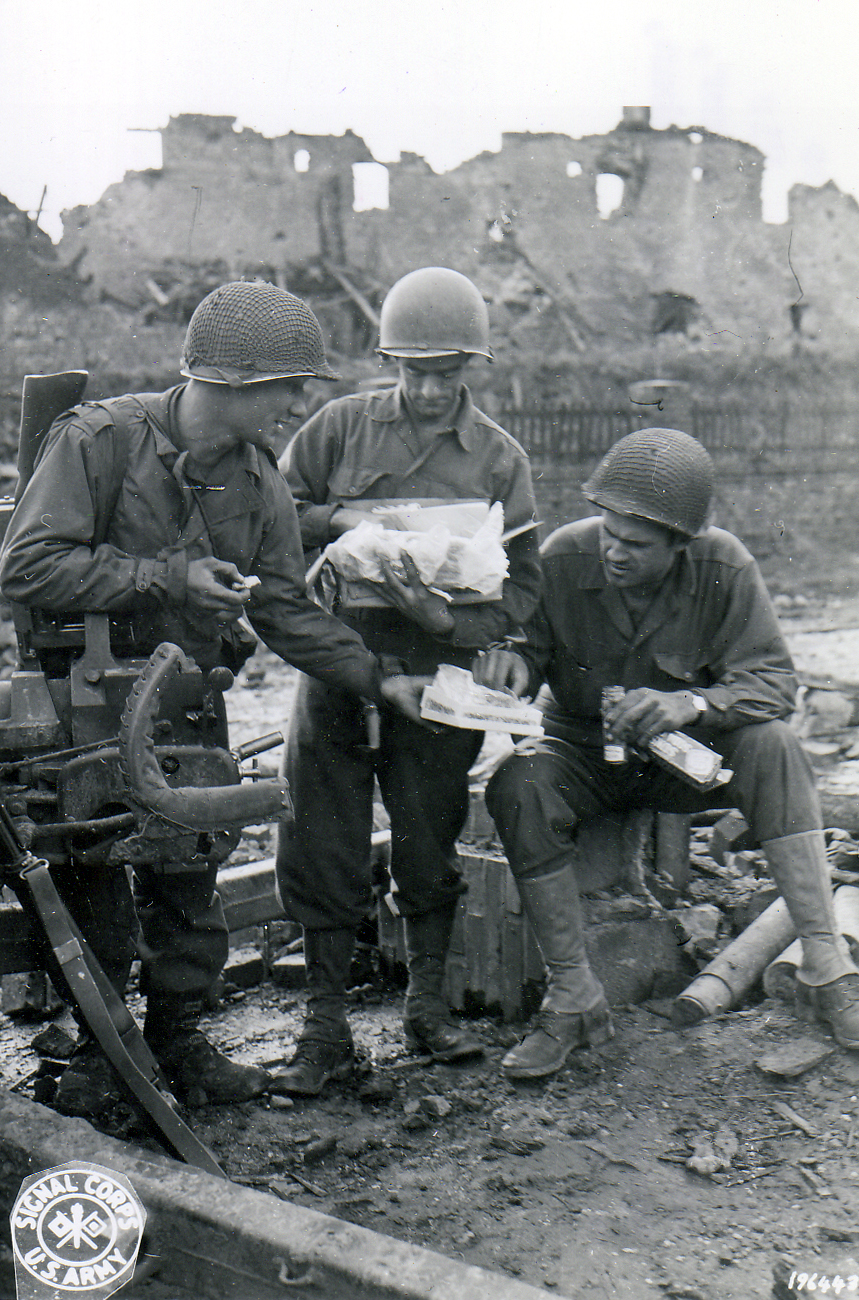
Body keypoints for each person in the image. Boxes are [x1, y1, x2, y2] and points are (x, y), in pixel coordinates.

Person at [0, 280, 428, 1118]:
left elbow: (282, 607)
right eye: (288, 384)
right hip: (81, 705)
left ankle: (179, 1043)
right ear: (236, 382)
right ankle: (102, 1054)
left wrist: (377, 677)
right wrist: (165, 576)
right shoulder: (100, 441)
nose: (297, 402)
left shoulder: (258, 481)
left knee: (191, 885)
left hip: (186, 706)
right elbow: (27, 565)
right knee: (95, 883)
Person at [473, 427, 859, 1079]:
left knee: (775, 747)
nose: (614, 552)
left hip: (685, 762)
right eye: (608, 533)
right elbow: (527, 650)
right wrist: (510, 667)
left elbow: (774, 684)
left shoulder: (721, 567)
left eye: (636, 545)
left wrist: (692, 704)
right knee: (516, 783)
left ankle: (826, 968)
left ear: (681, 545)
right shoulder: (562, 558)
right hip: (583, 754)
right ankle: (572, 997)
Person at [275, 266, 542, 1094]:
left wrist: (453, 626)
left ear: (473, 366)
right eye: (413, 370)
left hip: (439, 673)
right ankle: (323, 1029)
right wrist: (337, 520)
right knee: (321, 833)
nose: (429, 389)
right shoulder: (338, 429)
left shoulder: (497, 459)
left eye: (447, 371)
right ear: (389, 362)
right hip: (339, 661)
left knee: (427, 835)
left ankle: (426, 1008)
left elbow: (524, 589)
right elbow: (270, 514)